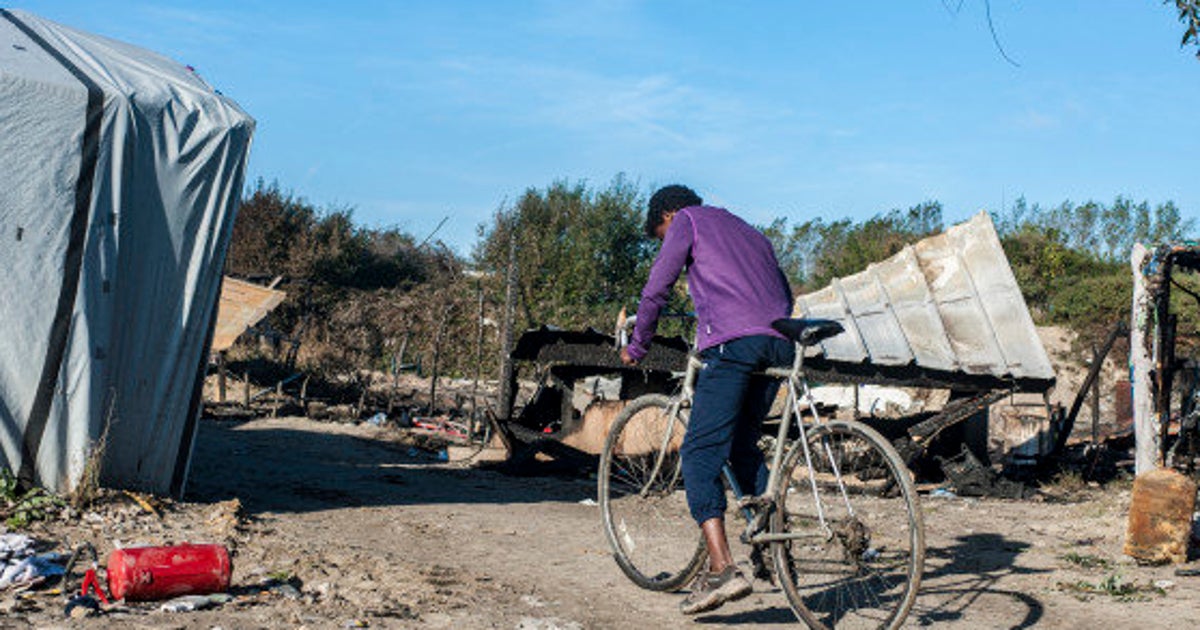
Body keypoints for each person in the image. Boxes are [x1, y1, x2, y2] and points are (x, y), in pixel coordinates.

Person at [620, 184, 795, 615]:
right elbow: (784, 294)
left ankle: (722, 569)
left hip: (733, 345)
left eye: (661, 235)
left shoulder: (687, 221)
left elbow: (657, 288)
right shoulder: (749, 230)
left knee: (699, 454)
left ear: (668, 214)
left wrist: (637, 345)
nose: (667, 242)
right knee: (740, 446)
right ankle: (775, 545)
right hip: (779, 343)